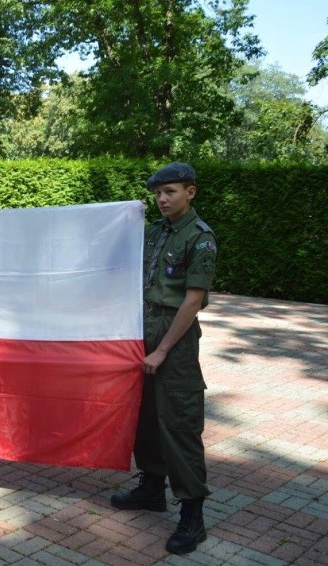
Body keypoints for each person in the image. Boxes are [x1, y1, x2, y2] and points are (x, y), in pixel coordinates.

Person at [110, 162, 217, 555]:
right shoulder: (154, 232)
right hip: (142, 329)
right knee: (143, 415)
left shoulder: (200, 239)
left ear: (191, 192)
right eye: (158, 194)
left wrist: (162, 349)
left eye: (170, 192)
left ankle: (192, 514)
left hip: (175, 338)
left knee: (179, 422)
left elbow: (192, 301)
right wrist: (123, 215)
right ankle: (152, 487)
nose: (162, 199)